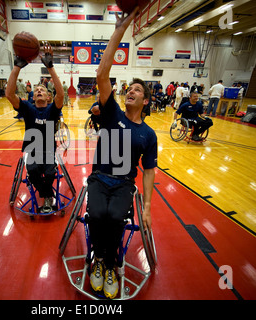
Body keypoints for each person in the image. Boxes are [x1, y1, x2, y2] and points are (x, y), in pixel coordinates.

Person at [87, 8, 157, 299]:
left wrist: (149, 205)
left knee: (115, 217)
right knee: (97, 214)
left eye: (137, 90)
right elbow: (102, 72)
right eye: (130, 88)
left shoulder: (148, 134)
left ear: (145, 100)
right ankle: (102, 260)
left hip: (125, 184)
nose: (131, 91)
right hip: (100, 177)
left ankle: (110, 263)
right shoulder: (112, 111)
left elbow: (150, 170)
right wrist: (121, 28)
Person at [6, 42, 64, 213]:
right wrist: (17, 66)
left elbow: (60, 94)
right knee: (33, 173)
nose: (39, 90)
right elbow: (9, 94)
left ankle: (46, 196)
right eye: (37, 89)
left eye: (43, 90)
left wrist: (50, 67)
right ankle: (47, 196)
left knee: (50, 173)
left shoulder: (52, 110)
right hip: (31, 152)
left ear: (48, 96)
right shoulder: (27, 108)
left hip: (48, 152)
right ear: (33, 96)